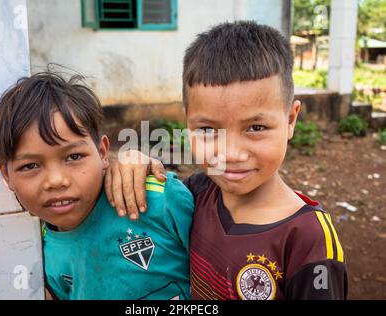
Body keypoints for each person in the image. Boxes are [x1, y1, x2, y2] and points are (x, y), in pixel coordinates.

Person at [105, 21, 348, 300]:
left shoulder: (308, 238)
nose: (230, 153)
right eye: (208, 130)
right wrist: (133, 162)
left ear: (290, 120)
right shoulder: (195, 194)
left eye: (256, 128)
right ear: (187, 124)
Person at [0, 71, 194, 300]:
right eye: (30, 166)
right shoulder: (36, 250)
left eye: (74, 157)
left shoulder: (157, 199)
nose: (56, 180)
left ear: (102, 152)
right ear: (5, 173)